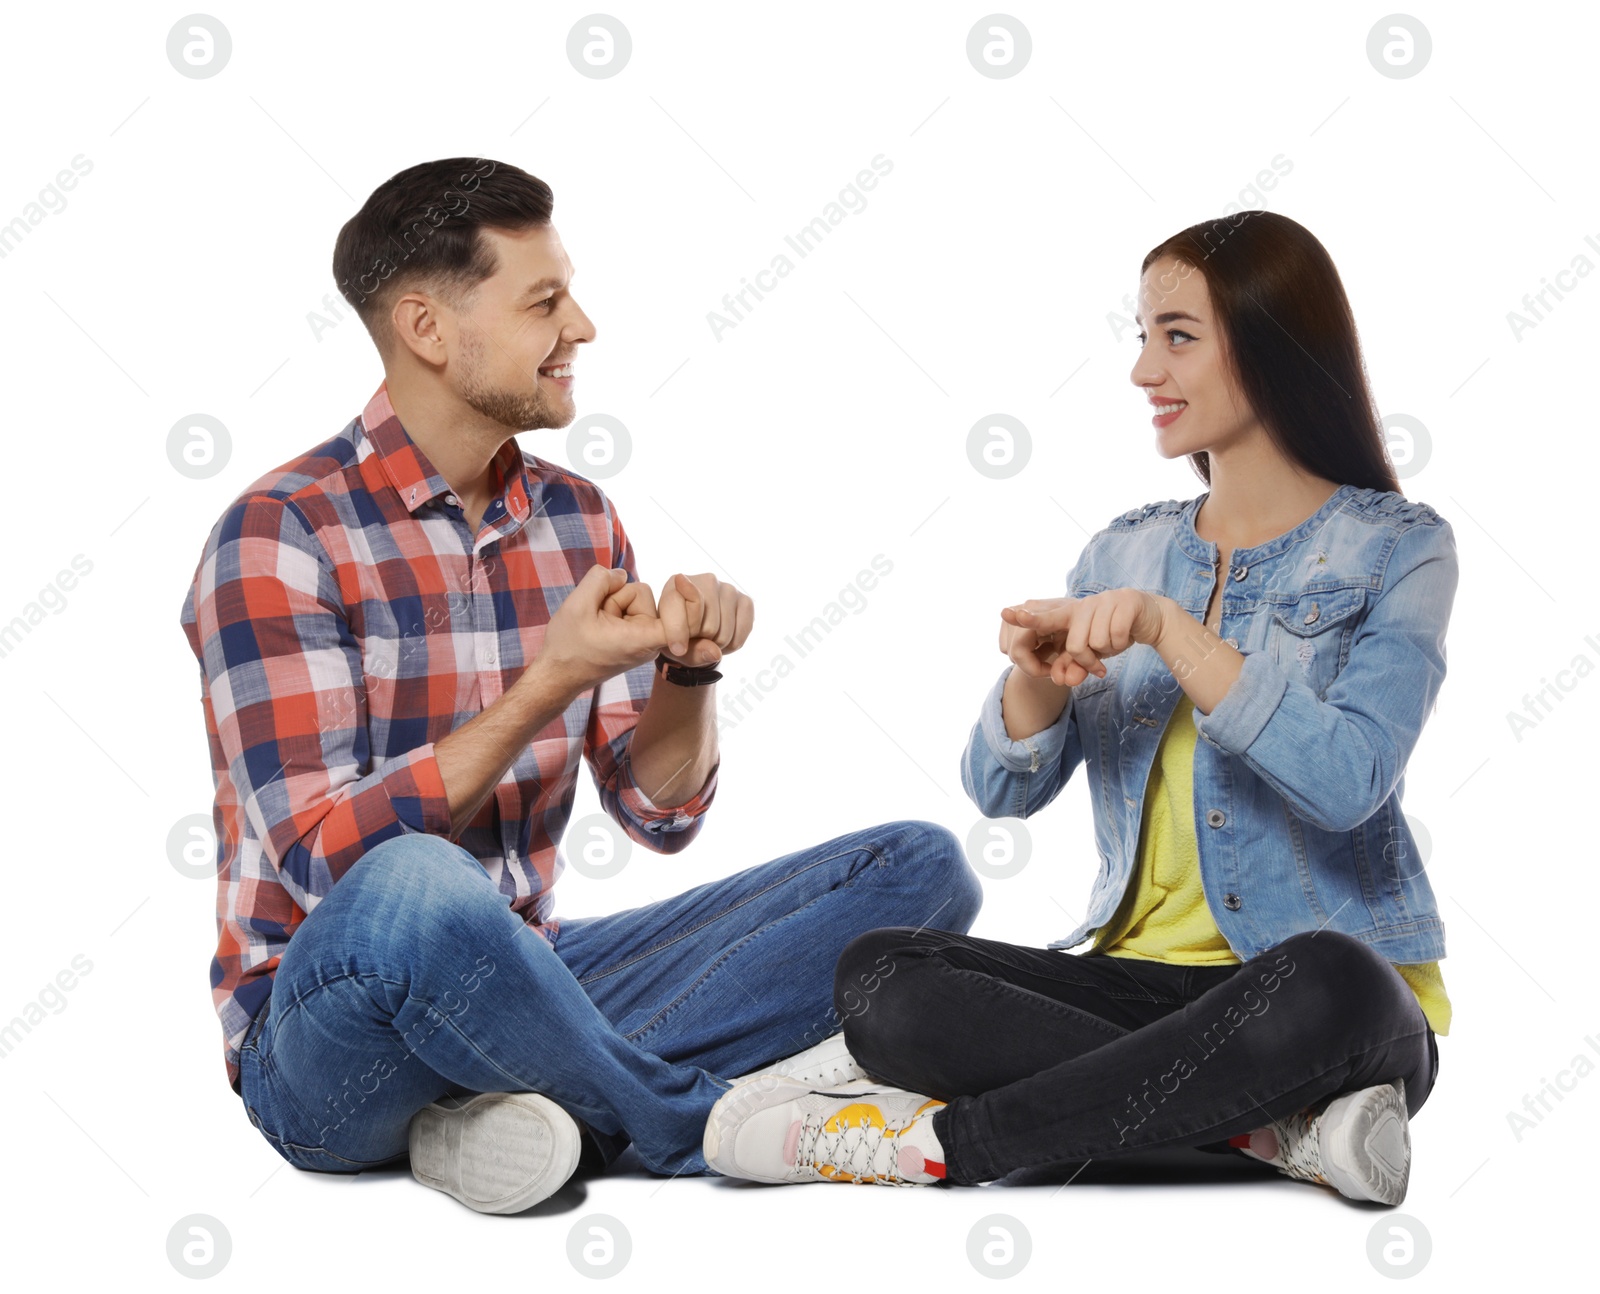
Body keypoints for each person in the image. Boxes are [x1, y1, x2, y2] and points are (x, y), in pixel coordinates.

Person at [177, 156, 981, 1214]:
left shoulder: (577, 519)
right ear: (427, 328)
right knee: (420, 883)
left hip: (531, 975)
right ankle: (702, 1125)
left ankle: (507, 1116)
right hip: (326, 1038)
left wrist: (686, 673)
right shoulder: (280, 535)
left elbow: (657, 812)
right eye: (544, 301)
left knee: (915, 872)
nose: (584, 327)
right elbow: (330, 864)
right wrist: (548, 678)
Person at [705, 210, 1454, 1207]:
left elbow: (1348, 781)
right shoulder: (1122, 550)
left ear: (1271, 343)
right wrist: (1033, 683)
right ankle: (1268, 1130)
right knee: (883, 978)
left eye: (1176, 335)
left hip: (1307, 993)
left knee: (1332, 980)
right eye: (1143, 336)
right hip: (1130, 983)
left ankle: (940, 1146)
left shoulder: (1397, 546)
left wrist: (1168, 630)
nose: (1145, 370)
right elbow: (999, 794)